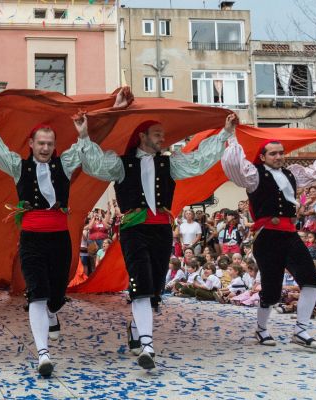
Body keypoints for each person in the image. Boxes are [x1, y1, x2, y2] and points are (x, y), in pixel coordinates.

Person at [78, 104, 237, 370]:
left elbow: (199, 161)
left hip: (161, 229)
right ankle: (148, 345)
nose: (162, 138)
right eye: (157, 134)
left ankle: (137, 328)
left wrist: (224, 133)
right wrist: (83, 136)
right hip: (134, 228)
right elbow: (94, 164)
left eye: (162, 134)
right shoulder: (122, 163)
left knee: (153, 287)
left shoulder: (169, 162)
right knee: (140, 282)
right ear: (142, 136)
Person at [0, 96, 99, 377]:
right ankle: (43, 353)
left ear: (54, 146)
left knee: (56, 295)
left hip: (59, 239)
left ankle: (54, 311)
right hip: (31, 238)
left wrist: (83, 133)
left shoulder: (64, 165)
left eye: (49, 144)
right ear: (31, 144)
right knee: (36, 293)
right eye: (40, 143)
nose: (45, 148)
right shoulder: (18, 166)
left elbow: (81, 152)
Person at [221, 129, 316, 349]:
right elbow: (235, 165)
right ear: (262, 157)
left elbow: (315, 171)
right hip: (266, 236)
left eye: (281, 153)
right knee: (271, 288)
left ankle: (301, 330)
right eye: (273, 154)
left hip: (289, 235)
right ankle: (261, 329)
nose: (279, 157)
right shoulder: (254, 174)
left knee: (310, 280)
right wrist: (231, 136)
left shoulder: (291, 174)